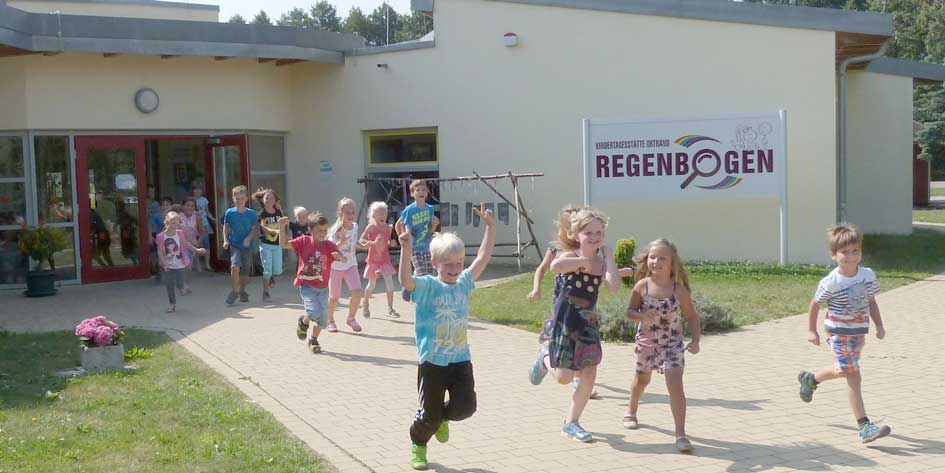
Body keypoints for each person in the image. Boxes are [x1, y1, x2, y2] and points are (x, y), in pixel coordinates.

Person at [399, 203, 496, 471]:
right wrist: (406, 249)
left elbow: (483, 257)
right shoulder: (428, 286)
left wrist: (491, 227)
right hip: (432, 362)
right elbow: (406, 280)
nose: (454, 269)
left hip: (460, 359)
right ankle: (419, 443)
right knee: (428, 416)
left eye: (458, 263)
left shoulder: (464, 282)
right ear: (435, 263)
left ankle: (442, 418)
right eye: (448, 264)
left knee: (466, 407)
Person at [528, 207, 620, 443]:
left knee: (589, 372)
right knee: (563, 378)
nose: (594, 237)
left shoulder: (600, 261)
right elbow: (554, 267)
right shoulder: (570, 256)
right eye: (588, 232)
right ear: (577, 234)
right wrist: (585, 261)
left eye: (599, 232)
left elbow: (613, 285)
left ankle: (571, 423)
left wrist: (608, 257)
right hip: (565, 322)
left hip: (587, 323)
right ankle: (544, 358)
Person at [798, 223, 890, 443]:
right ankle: (864, 425)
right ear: (833, 255)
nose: (850, 256)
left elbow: (871, 301)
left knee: (844, 370)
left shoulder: (867, 275)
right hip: (837, 333)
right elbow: (815, 304)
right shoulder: (831, 281)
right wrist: (811, 330)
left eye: (855, 251)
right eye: (844, 252)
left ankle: (811, 380)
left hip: (858, 333)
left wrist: (879, 325)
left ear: (861, 251)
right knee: (853, 374)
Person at [622, 239, 701, 452]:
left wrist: (695, 340)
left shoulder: (679, 290)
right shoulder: (642, 286)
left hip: (672, 345)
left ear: (672, 262)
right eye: (652, 257)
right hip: (647, 344)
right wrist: (640, 315)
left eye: (662, 258)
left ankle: (681, 434)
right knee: (641, 381)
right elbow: (629, 312)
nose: (656, 261)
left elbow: (692, 317)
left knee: (675, 386)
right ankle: (631, 410)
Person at [280, 213, 345, 353]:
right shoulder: (303, 241)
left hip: (323, 288)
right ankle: (304, 321)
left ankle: (313, 339)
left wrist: (340, 257)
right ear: (310, 229)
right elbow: (284, 244)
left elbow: (344, 259)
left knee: (324, 319)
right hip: (307, 286)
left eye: (324, 230)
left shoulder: (329, 245)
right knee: (314, 311)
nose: (322, 234)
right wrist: (281, 227)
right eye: (319, 231)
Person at [395, 179, 439, 301]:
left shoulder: (429, 209)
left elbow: (430, 230)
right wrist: (403, 240)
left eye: (424, 189)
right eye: (417, 190)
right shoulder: (410, 210)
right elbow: (399, 225)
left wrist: (435, 225)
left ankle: (407, 288)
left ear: (428, 192)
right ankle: (420, 297)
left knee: (430, 274)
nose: (421, 192)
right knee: (421, 273)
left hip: (427, 246)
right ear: (412, 193)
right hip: (414, 248)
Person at [156, 211, 206, 313]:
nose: (174, 225)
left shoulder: (179, 233)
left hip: (180, 264)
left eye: (176, 223)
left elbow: (186, 243)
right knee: (169, 286)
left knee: (180, 282)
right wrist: (163, 262)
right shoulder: (161, 236)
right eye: (172, 223)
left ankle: (182, 287)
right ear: (167, 222)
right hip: (168, 265)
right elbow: (160, 251)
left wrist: (196, 250)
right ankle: (172, 305)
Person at [326, 197, 363, 333]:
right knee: (334, 297)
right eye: (348, 212)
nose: (351, 215)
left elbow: (354, 241)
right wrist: (340, 242)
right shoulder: (335, 231)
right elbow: (330, 250)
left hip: (351, 264)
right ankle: (330, 320)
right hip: (336, 267)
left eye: (353, 212)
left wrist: (364, 244)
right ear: (340, 213)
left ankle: (351, 318)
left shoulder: (355, 226)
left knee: (357, 291)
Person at [360, 201, 399, 318]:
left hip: (385, 260)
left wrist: (391, 243)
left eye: (385, 213)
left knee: (390, 283)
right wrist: (372, 242)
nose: (383, 215)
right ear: (373, 215)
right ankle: (365, 304)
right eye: (380, 213)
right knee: (371, 285)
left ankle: (390, 308)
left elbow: (386, 243)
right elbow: (361, 240)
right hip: (373, 261)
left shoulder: (388, 228)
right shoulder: (371, 227)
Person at [222, 185, 258, 305]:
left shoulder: (251, 214)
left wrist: (248, 239)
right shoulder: (230, 213)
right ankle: (234, 291)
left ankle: (242, 290)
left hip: (247, 246)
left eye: (242, 198)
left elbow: (254, 229)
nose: (239, 201)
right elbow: (226, 227)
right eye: (237, 198)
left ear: (246, 199)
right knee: (234, 267)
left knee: (245, 271)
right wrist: (225, 240)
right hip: (235, 244)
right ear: (233, 199)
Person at [254, 188, 284, 302]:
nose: (269, 200)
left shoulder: (278, 212)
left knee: (277, 271)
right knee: (267, 270)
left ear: (275, 200)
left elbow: (284, 221)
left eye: (272, 198)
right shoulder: (262, 213)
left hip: (277, 244)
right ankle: (266, 292)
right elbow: (263, 227)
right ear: (262, 199)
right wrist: (274, 231)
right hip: (265, 244)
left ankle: (271, 276)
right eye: (267, 198)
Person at [180, 197, 206, 280]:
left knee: (188, 265)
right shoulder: (178, 217)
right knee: (179, 265)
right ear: (183, 206)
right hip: (179, 245)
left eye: (192, 206)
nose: (189, 208)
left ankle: (184, 282)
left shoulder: (196, 218)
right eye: (187, 205)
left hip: (191, 245)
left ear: (195, 208)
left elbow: (202, 232)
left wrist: (198, 243)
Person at [193, 185, 215, 271]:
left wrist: (213, 219)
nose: (197, 192)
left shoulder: (204, 200)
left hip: (204, 224)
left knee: (206, 244)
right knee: (195, 244)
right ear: (193, 192)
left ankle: (207, 264)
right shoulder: (191, 200)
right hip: (194, 225)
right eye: (195, 190)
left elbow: (207, 211)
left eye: (199, 190)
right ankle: (197, 266)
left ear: (201, 192)